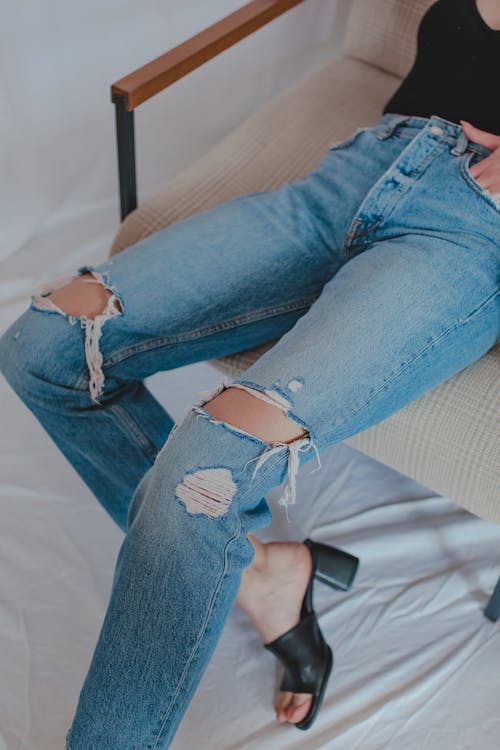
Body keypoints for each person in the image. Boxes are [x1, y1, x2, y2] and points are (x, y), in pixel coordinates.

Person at [0, 0, 499, 746]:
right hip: (365, 169)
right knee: (45, 345)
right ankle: (266, 574)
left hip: (466, 237)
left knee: (203, 477)